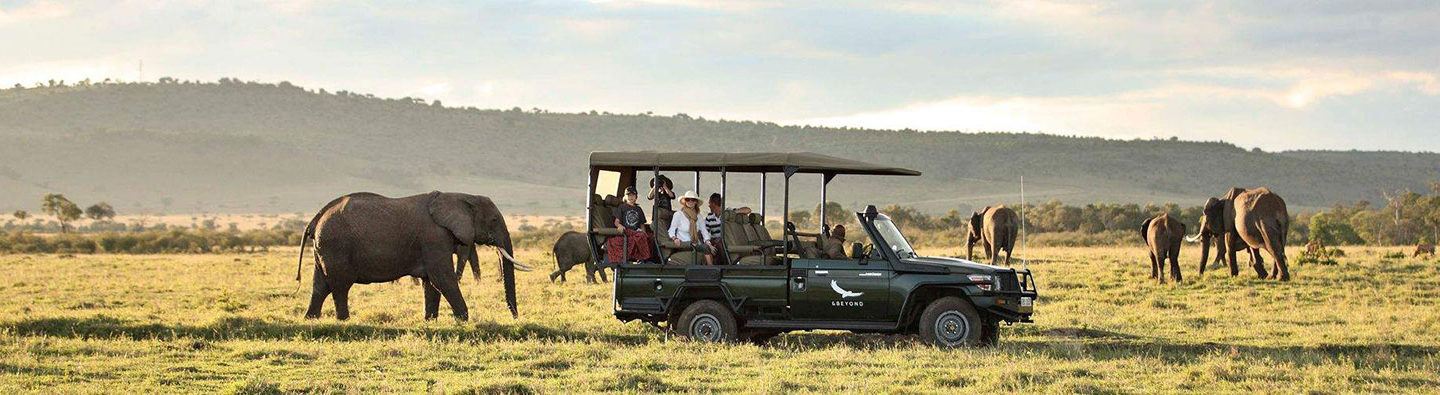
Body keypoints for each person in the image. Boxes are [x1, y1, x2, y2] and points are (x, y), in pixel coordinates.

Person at [606, 186, 653, 263]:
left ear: (636, 197)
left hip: (636, 231)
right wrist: (620, 226)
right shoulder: (622, 207)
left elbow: (642, 224)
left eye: (633, 195)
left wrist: (644, 232)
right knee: (640, 236)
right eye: (629, 195)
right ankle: (643, 259)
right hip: (626, 231)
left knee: (648, 237)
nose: (631, 197)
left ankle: (647, 259)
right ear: (625, 197)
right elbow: (616, 222)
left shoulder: (638, 209)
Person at [667, 190, 713, 264]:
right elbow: (671, 230)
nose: (690, 202)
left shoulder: (698, 216)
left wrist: (707, 241)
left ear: (696, 202)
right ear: (685, 201)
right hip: (684, 244)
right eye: (688, 199)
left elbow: (704, 231)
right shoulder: (678, 214)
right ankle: (711, 269)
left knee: (710, 247)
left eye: (693, 200)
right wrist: (675, 238)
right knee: (706, 248)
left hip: (696, 243)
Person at [703, 193, 726, 264]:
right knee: (716, 244)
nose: (709, 206)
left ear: (714, 204)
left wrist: (733, 213)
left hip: (726, 240)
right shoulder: (709, 218)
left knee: (721, 243)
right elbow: (705, 232)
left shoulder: (727, 213)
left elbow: (747, 210)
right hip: (714, 241)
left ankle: (725, 265)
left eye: (709, 203)